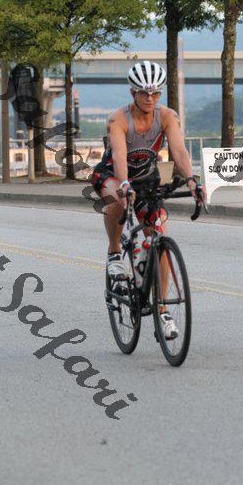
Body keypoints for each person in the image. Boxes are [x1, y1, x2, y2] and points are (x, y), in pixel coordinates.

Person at [91, 60, 205, 339]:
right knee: (117, 198)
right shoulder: (118, 119)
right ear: (133, 93)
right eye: (144, 93)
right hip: (113, 174)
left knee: (159, 235)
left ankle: (162, 309)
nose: (150, 98)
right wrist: (124, 184)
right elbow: (119, 155)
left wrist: (192, 181)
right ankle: (115, 252)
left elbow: (179, 151)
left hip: (147, 180)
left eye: (155, 93)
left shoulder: (167, 116)